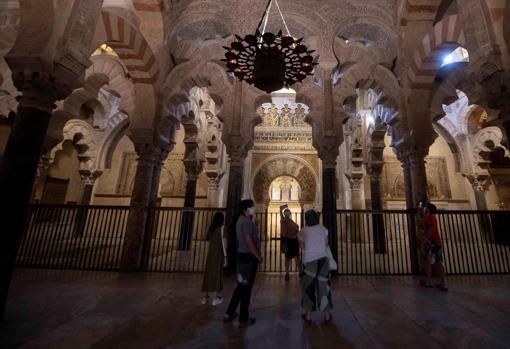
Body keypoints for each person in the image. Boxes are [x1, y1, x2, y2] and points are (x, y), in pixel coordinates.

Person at [224, 199, 262, 327]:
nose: (254, 208)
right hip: (248, 257)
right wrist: (258, 255)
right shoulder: (245, 222)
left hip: (242, 256)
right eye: (252, 206)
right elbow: (248, 239)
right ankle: (243, 319)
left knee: (241, 286)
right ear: (245, 210)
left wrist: (254, 224)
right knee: (246, 288)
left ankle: (229, 313)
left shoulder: (242, 220)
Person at [298, 209, 333, 324]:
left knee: (308, 287)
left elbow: (302, 246)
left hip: (310, 262)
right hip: (323, 261)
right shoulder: (323, 229)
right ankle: (327, 315)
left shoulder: (303, 231)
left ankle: (308, 316)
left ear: (306, 219)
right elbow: (326, 243)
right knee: (324, 286)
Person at [201, 212, 227, 306]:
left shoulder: (211, 229)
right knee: (217, 274)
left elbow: (208, 239)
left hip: (210, 254)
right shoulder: (223, 228)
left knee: (208, 274)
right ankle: (215, 298)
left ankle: (205, 297)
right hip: (218, 254)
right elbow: (225, 243)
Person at [421, 202, 448, 291]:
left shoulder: (429, 218)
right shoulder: (433, 217)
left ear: (428, 209)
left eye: (425, 208)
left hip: (432, 243)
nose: (423, 209)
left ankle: (428, 282)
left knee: (429, 262)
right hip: (437, 243)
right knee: (438, 263)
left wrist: (425, 241)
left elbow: (430, 231)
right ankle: (443, 283)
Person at [280, 204, 302, 281]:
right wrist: (283, 207)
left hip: (294, 240)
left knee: (297, 257)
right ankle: (287, 273)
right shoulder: (283, 220)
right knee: (287, 258)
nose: (287, 213)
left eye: (288, 212)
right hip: (288, 241)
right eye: (286, 212)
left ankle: (300, 272)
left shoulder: (291, 220)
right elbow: (280, 210)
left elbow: (296, 228)